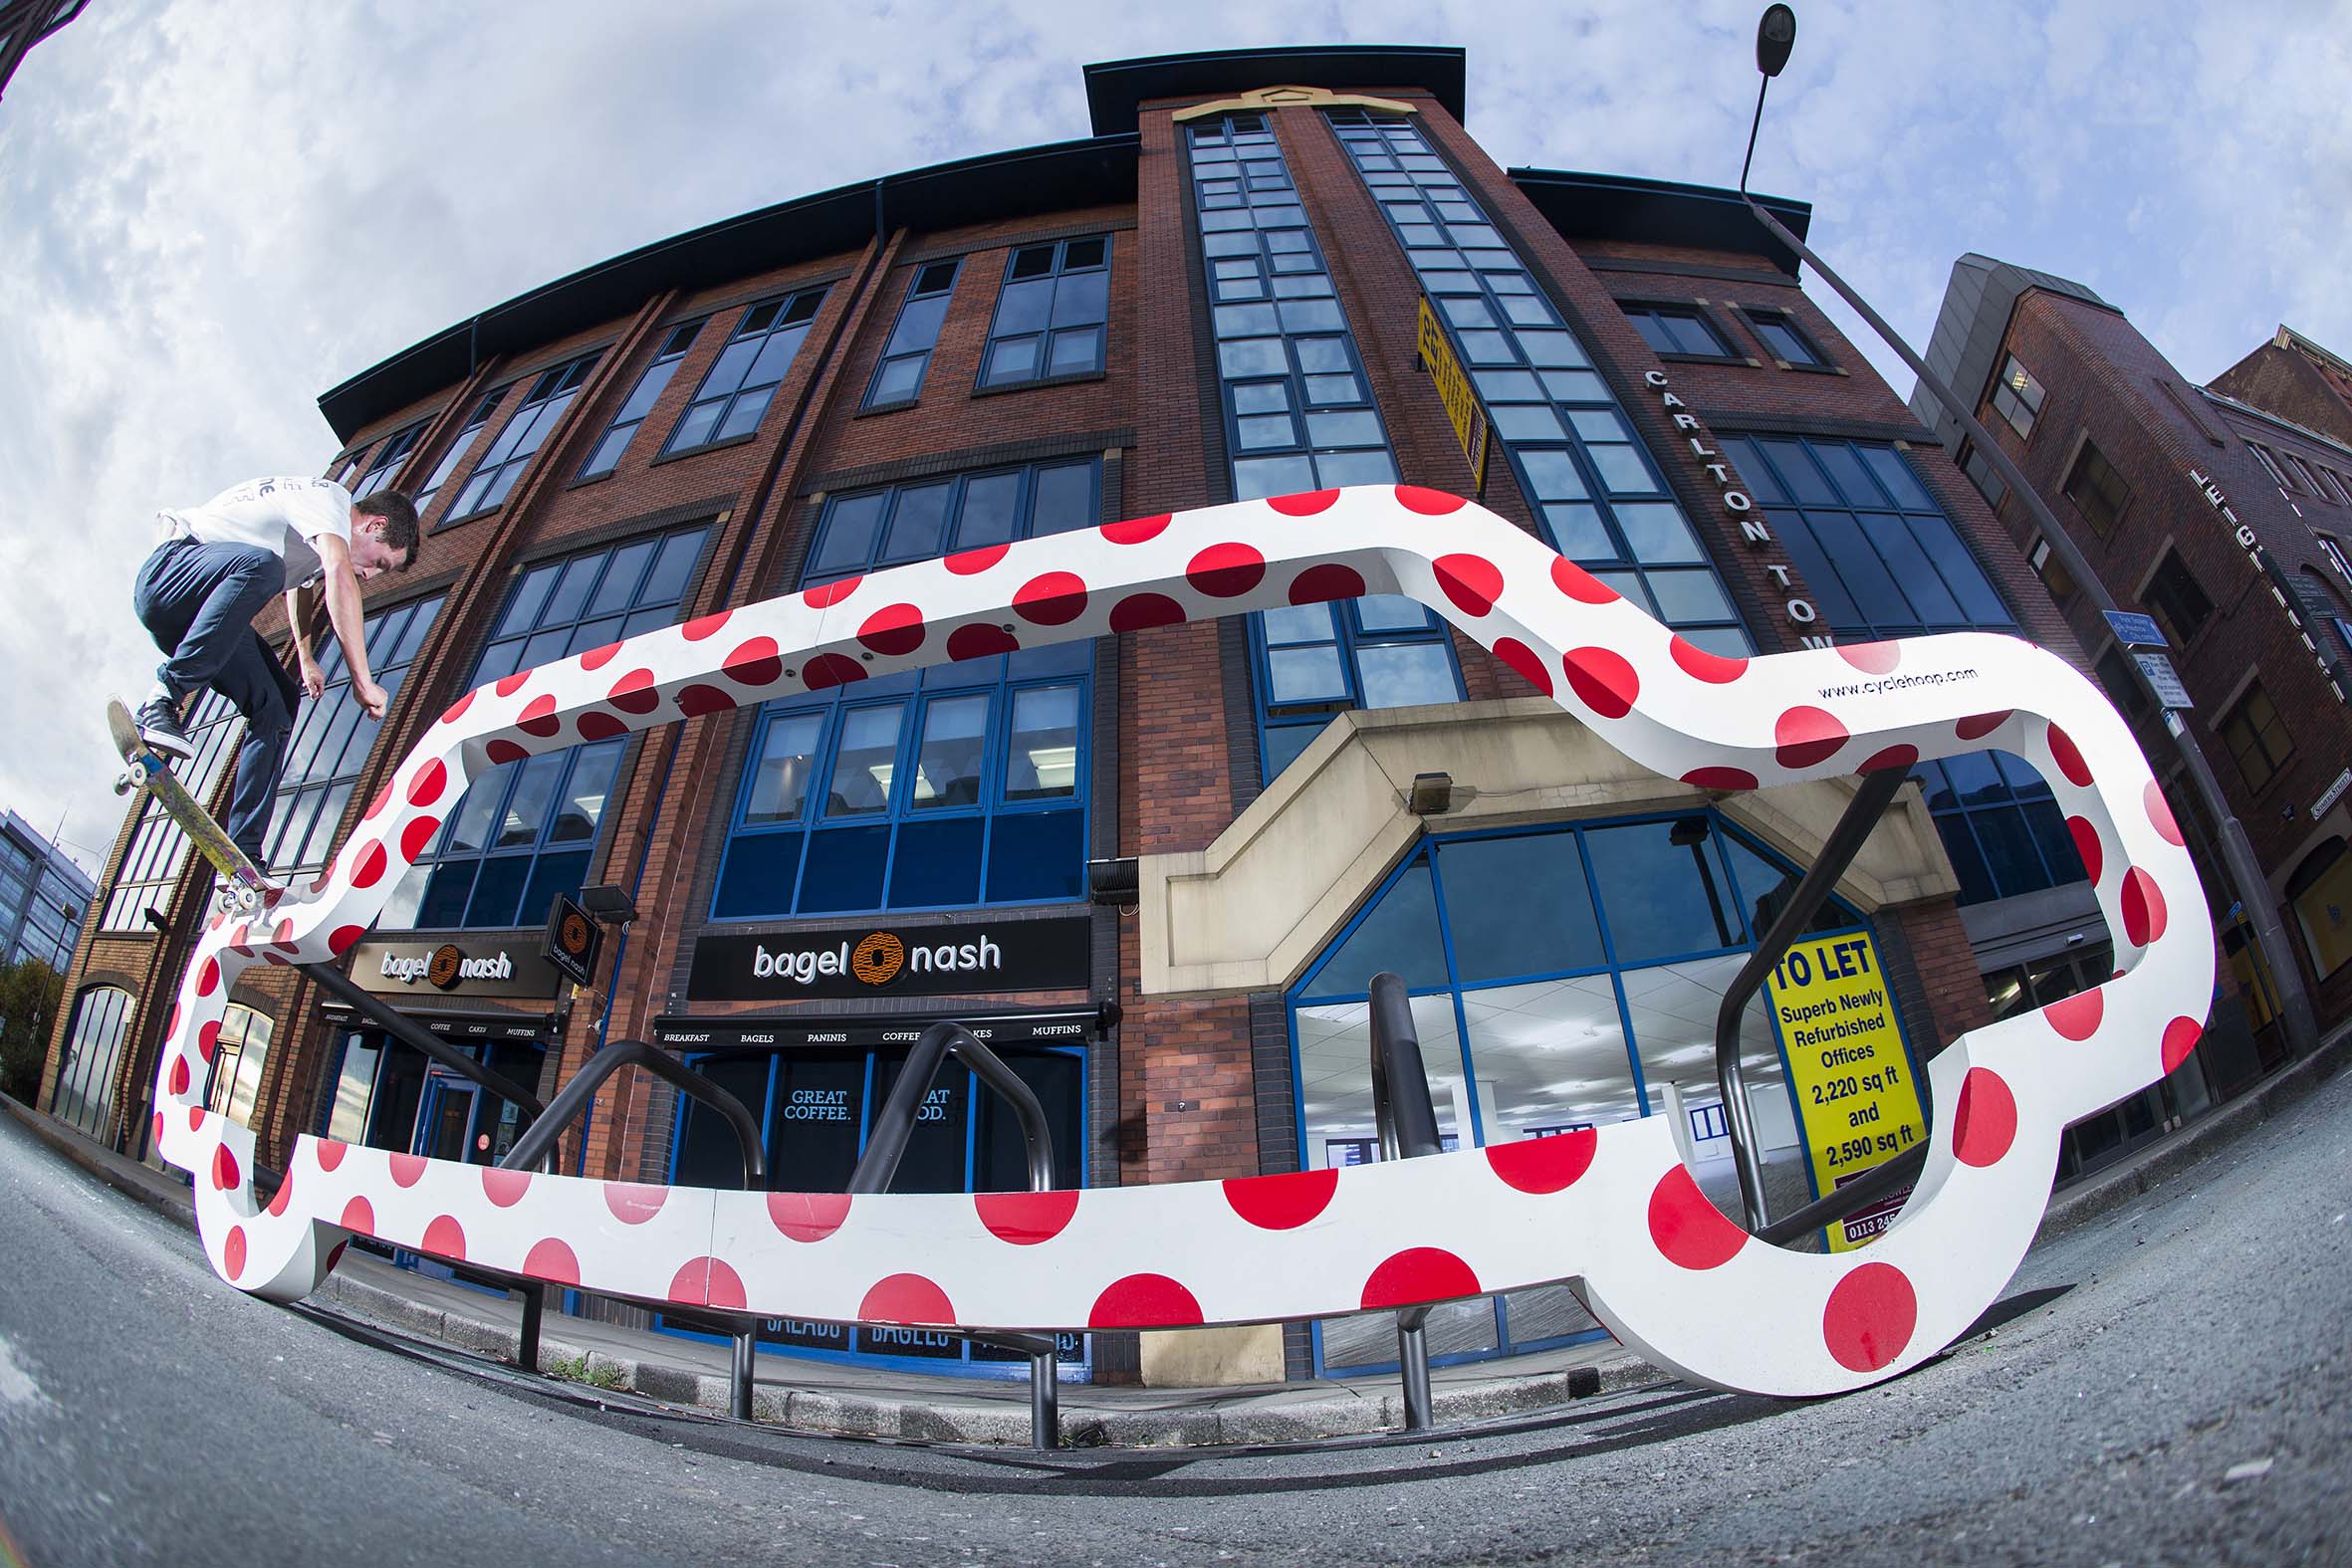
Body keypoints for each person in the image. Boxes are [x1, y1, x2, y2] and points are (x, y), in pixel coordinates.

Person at [130, 476, 419, 871]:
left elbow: (298, 588)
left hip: (194, 620)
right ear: (375, 525)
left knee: (279, 702)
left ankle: (243, 855)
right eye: (381, 562)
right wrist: (362, 679)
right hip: (170, 577)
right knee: (263, 566)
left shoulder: (312, 538)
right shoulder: (330, 500)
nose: (372, 575)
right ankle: (163, 695)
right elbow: (338, 574)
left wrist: (304, 657)